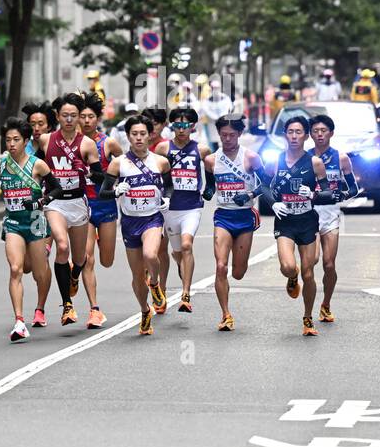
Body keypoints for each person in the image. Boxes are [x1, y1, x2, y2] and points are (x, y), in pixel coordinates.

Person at [0, 118, 61, 341]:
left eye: (16, 139)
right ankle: (19, 321)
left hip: (36, 222)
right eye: (8, 140)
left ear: (26, 141)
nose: (11, 144)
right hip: (13, 223)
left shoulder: (38, 164)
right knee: (16, 268)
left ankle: (39, 308)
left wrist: (40, 202)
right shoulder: (1, 164)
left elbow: (57, 188)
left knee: (39, 272)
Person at [98, 115, 172, 337]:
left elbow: (169, 187)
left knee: (151, 255)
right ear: (128, 136)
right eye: (134, 134)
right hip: (130, 222)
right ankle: (144, 310)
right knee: (137, 275)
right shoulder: (118, 163)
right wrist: (116, 191)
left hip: (152, 218)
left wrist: (167, 197)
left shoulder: (160, 161)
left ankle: (156, 284)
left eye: (143, 134)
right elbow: (103, 192)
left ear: (150, 135)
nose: (139, 138)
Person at [266, 116, 337, 336]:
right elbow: (263, 187)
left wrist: (314, 194)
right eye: (290, 132)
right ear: (285, 135)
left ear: (306, 136)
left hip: (307, 221)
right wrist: (274, 202)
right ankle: (291, 276)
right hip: (285, 221)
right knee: (288, 267)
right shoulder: (275, 160)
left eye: (299, 132)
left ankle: (308, 317)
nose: (294, 136)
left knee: (309, 274)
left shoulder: (315, 162)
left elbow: (329, 194)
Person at [40, 93, 104, 325]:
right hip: (55, 203)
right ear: (57, 116)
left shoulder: (87, 144)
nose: (69, 119)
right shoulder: (46, 140)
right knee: (62, 245)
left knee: (80, 258)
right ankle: (67, 305)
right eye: (64, 115)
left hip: (78, 202)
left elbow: (100, 177)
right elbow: (37, 167)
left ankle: (74, 276)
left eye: (73, 116)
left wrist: (86, 171)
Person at [202, 115, 268, 331]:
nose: (227, 139)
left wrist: (249, 193)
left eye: (232, 135)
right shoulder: (211, 160)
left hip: (244, 217)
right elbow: (211, 185)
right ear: (218, 135)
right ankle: (226, 314)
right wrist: (208, 192)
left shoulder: (250, 157)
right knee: (221, 267)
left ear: (240, 134)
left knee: (238, 272)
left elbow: (267, 185)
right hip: (223, 216)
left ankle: (236, 278)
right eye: (223, 135)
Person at [155, 107, 212, 313]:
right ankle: (164, 288)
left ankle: (185, 294)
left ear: (193, 127)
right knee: (177, 253)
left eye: (185, 126)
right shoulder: (163, 149)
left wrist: (210, 188)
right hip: (170, 209)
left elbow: (211, 169)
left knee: (187, 246)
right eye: (177, 125)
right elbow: (155, 172)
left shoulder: (202, 150)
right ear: (172, 126)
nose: (181, 130)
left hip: (191, 207)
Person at [309, 113, 359, 325]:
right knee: (312, 261)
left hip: (330, 215)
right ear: (310, 134)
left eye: (323, 131)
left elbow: (353, 188)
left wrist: (342, 194)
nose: (319, 135)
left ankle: (326, 304)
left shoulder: (341, 158)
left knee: (329, 265)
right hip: (309, 213)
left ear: (331, 133)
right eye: (315, 131)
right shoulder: (305, 157)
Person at [77, 94, 118, 329]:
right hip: (83, 205)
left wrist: (112, 180)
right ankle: (94, 310)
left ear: (98, 119)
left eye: (90, 116)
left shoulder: (108, 143)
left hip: (106, 205)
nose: (86, 121)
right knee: (87, 258)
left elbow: (126, 165)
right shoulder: (74, 145)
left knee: (107, 260)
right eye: (82, 116)